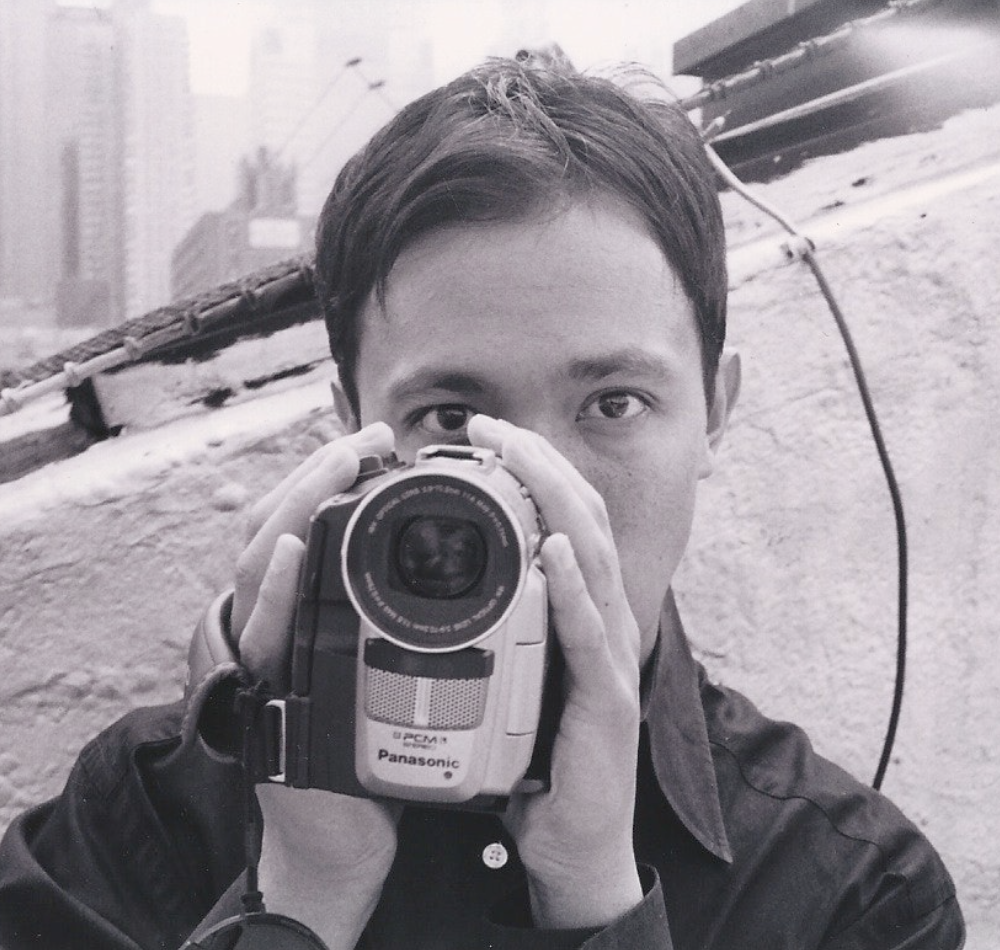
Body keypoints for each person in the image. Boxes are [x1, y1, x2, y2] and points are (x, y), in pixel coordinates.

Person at [0, 56, 964, 950]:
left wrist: (595, 895)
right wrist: (302, 896)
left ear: (714, 411)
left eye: (613, 404)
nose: (538, 492)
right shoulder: (147, 811)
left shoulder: (854, 892)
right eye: (452, 417)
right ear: (353, 428)